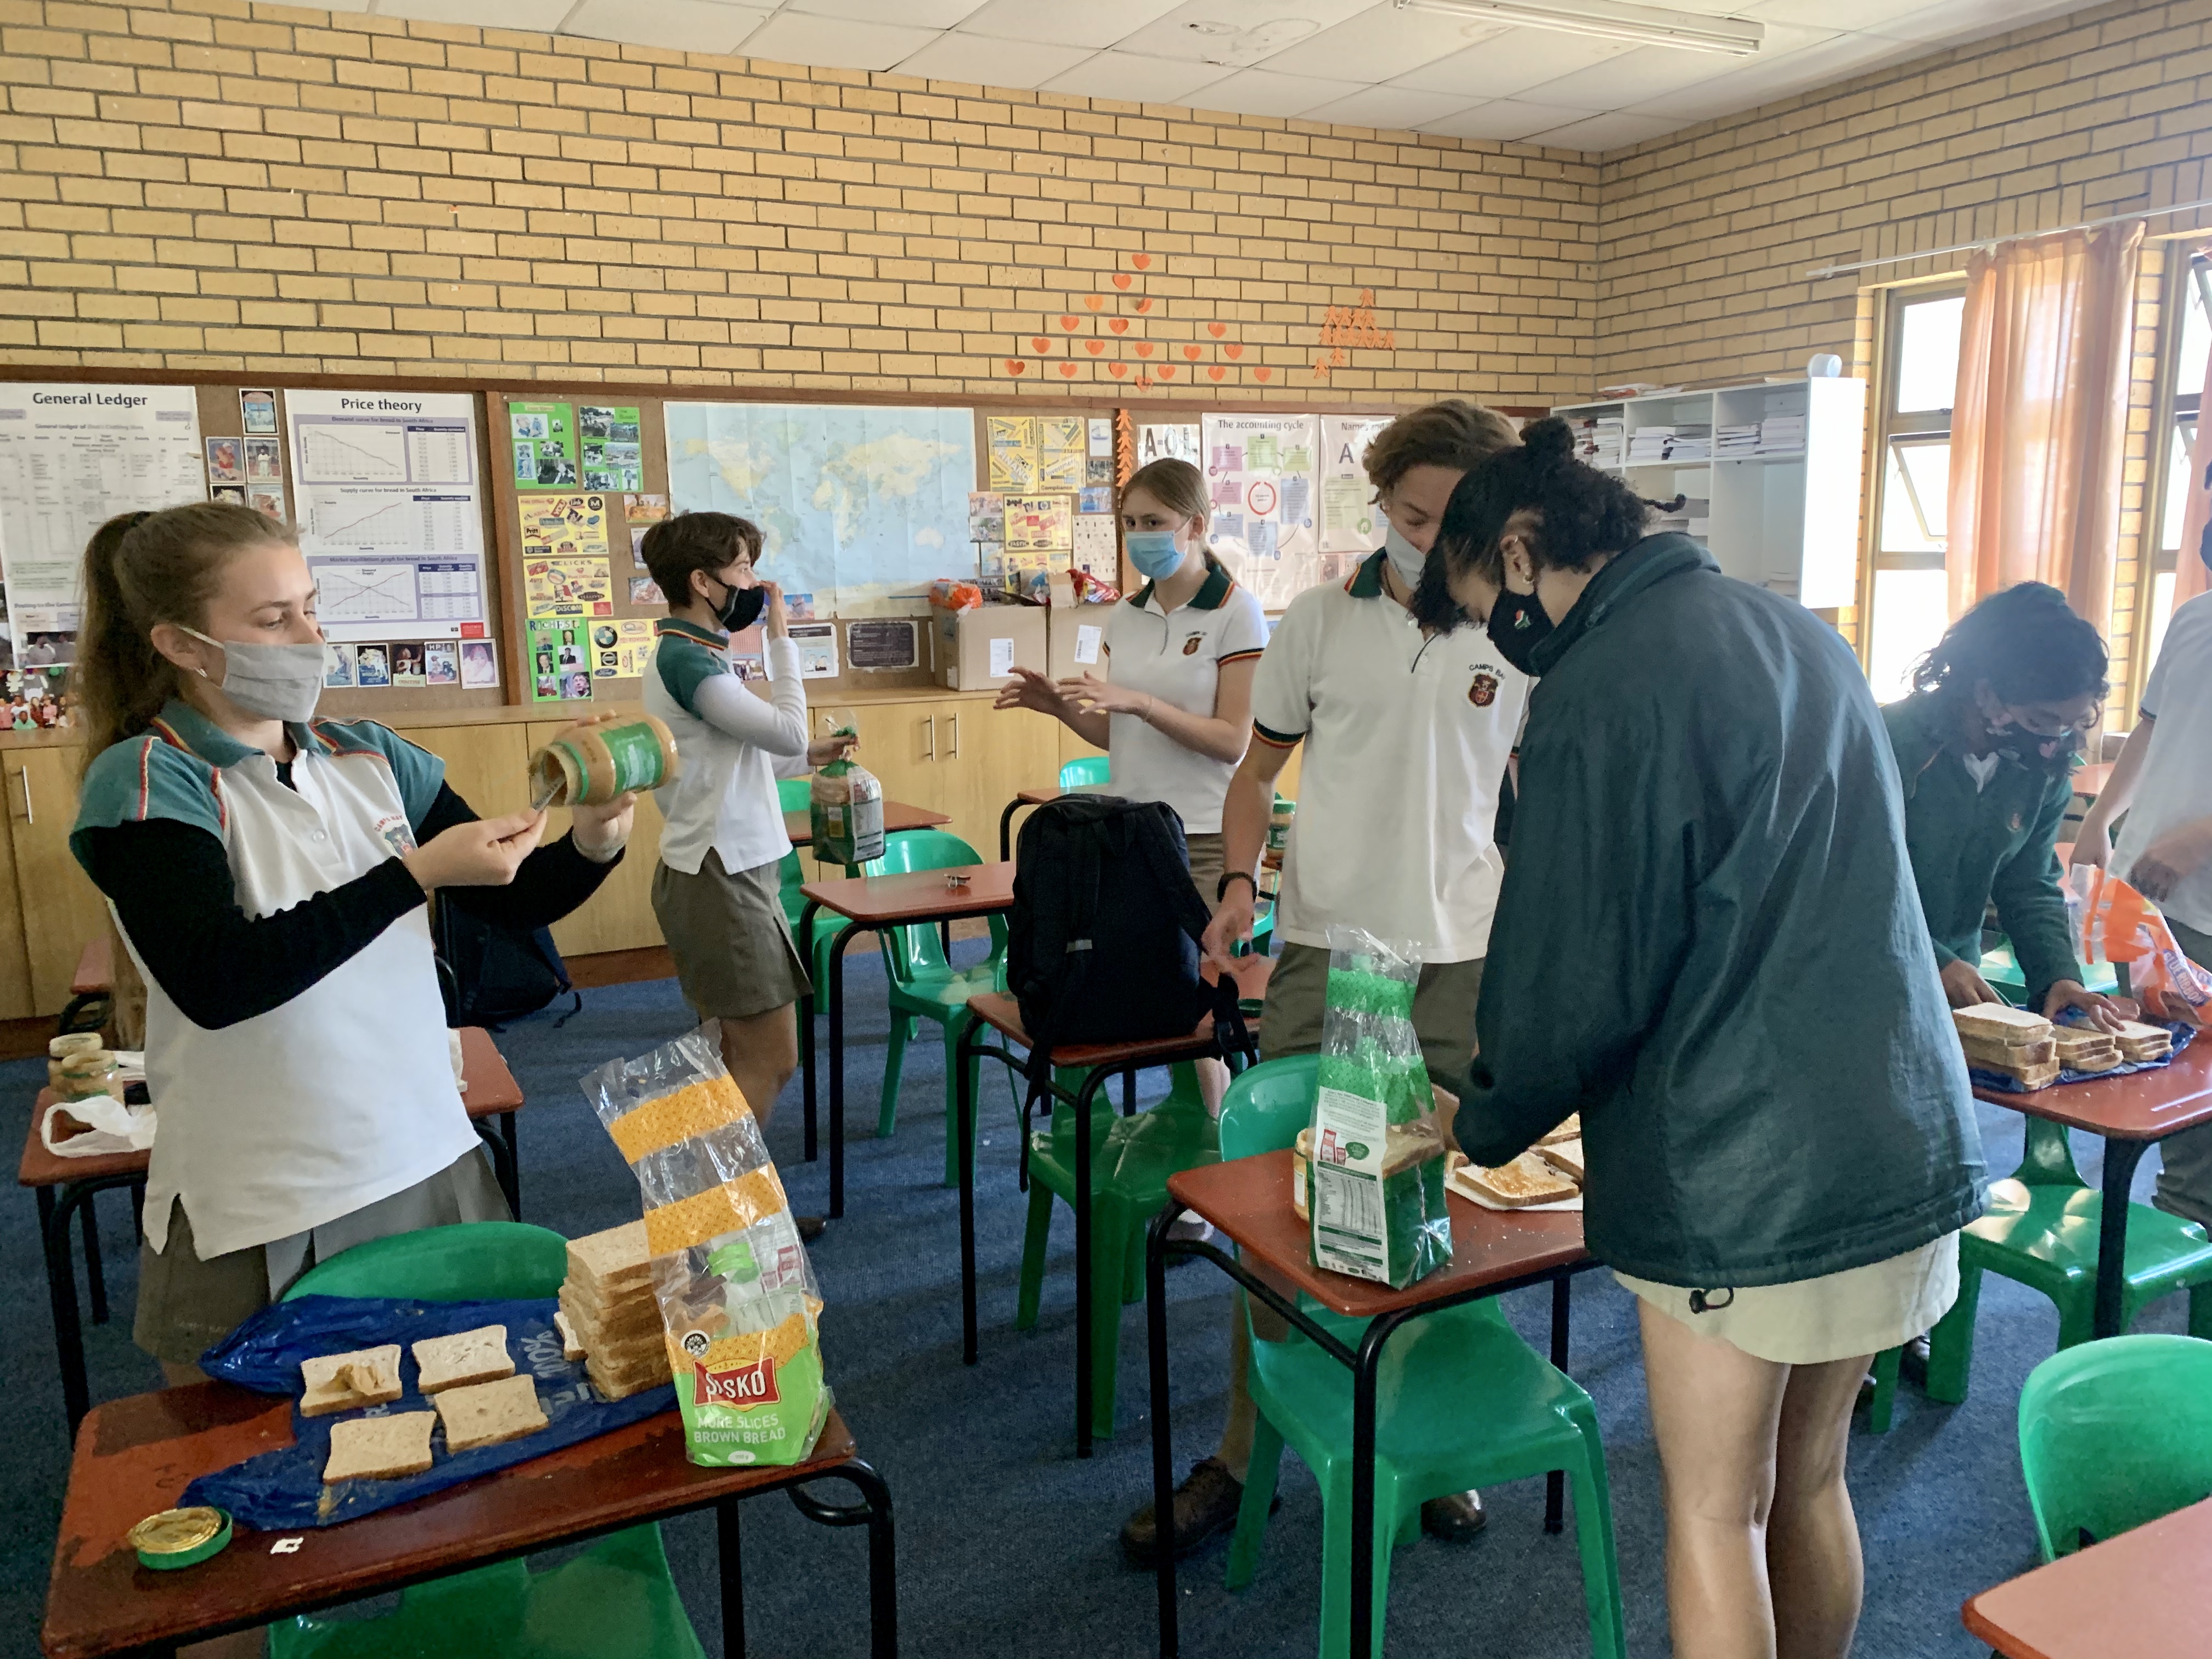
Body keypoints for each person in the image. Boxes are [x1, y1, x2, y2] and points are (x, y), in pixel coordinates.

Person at [1441, 420, 1984, 1659]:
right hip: (1902, 1137)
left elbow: (1567, 971)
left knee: (1712, 1511)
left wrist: (1478, 1116)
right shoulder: (1805, 634)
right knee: (1812, 1485)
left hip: (1745, 1177)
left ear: (1524, 555)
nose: (1499, 640)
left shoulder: (1603, 683)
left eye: (1488, 606)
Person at [68, 503, 633, 1382]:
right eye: (272, 619)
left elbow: (514, 901)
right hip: (265, 1197)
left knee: (465, 1432)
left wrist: (596, 834)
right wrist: (412, 876)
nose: (308, 636)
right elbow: (220, 981)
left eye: (310, 606)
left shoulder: (366, 755)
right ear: (181, 645)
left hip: (424, 1151)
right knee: (273, 1465)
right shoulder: (151, 777)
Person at [1122, 399, 1527, 1565]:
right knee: (1279, 1209)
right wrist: (1238, 883)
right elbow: (1256, 773)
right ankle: (1245, 1447)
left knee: (1429, 1207)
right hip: (1327, 950)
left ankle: (1413, 1424)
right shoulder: (1314, 620)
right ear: (1384, 507)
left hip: (1460, 956)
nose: (1433, 541)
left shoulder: (1517, 635)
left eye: (1460, 523)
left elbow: (1541, 800)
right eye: (1413, 515)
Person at [992, 456, 1267, 1107]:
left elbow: (1233, 742)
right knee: (1146, 1005)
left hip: (1201, 835)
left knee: (1201, 1019)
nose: (1140, 534)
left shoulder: (1237, 613)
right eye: (1131, 523)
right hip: (1129, 834)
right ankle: (1187, 1166)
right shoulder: (1126, 613)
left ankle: (1212, 1183)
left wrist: (1142, 703)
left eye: (1155, 522)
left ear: (1194, 525)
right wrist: (1062, 708)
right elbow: (1119, 735)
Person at [640, 512, 854, 1235]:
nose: (756, 587)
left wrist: (808, 755)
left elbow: (747, 752)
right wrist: (784, 643)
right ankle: (720, 1224)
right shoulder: (691, 661)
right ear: (702, 582)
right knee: (770, 1059)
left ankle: (715, 1211)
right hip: (719, 879)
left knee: (728, 1058)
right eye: (741, 571)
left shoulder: (695, 654)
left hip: (726, 870)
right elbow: (783, 728)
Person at [1882, 584, 2124, 1032]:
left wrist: (2059, 976)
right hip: (1865, 973)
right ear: (1985, 692)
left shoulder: (2039, 768)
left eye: (2072, 723)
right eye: (2040, 721)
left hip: (1956, 989)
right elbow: (1851, 877)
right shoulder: (1892, 743)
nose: (2054, 740)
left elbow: (2029, 884)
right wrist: (1931, 959)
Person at [2075, 586, 2212, 1226]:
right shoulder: (2193, 615)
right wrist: (2103, 818)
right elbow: (2153, 728)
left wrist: (2199, 836)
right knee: (2165, 1097)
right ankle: (2183, 1254)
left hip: (2205, 902)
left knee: (2202, 1128)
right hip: (2152, 903)